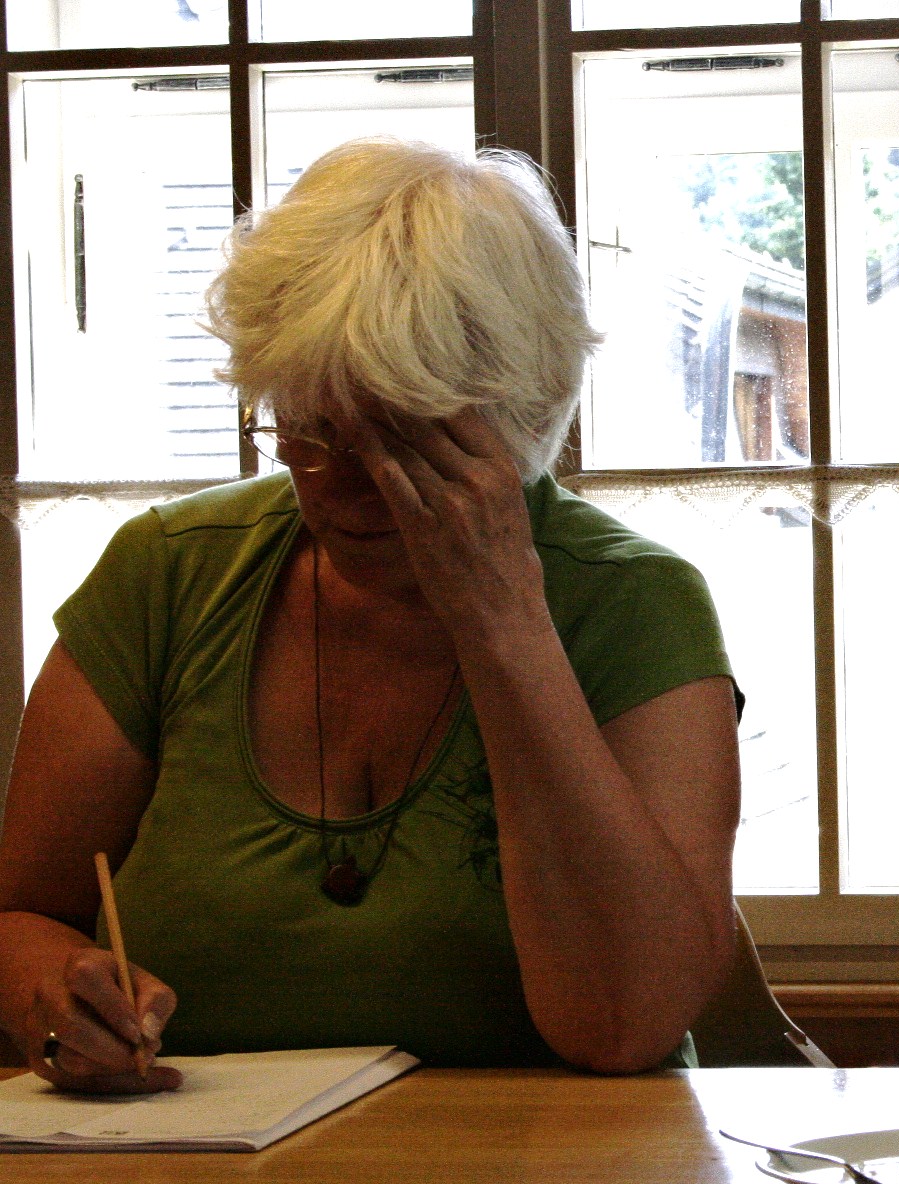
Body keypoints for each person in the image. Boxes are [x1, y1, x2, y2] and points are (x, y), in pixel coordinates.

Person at [0, 138, 742, 1090]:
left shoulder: (634, 602)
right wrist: (57, 1002)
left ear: (521, 410)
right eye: (308, 429)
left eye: (399, 441)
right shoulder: (169, 575)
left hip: (550, 1175)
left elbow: (623, 1025)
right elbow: (21, 917)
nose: (340, 485)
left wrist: (504, 622)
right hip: (201, 1168)